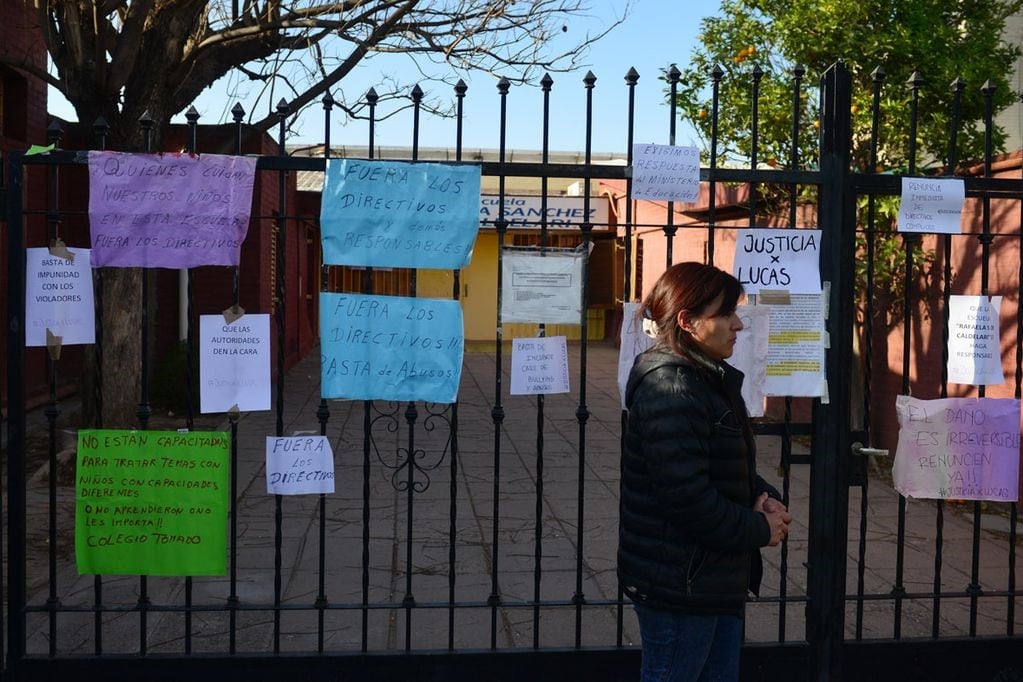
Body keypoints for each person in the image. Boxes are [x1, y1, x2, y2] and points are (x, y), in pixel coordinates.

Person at [618, 261, 792, 682]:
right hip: (682, 582)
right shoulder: (672, 389)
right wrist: (759, 529)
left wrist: (760, 493)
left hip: (709, 576)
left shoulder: (702, 378)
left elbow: (715, 466)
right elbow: (687, 499)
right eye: (726, 314)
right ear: (688, 322)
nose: (738, 325)